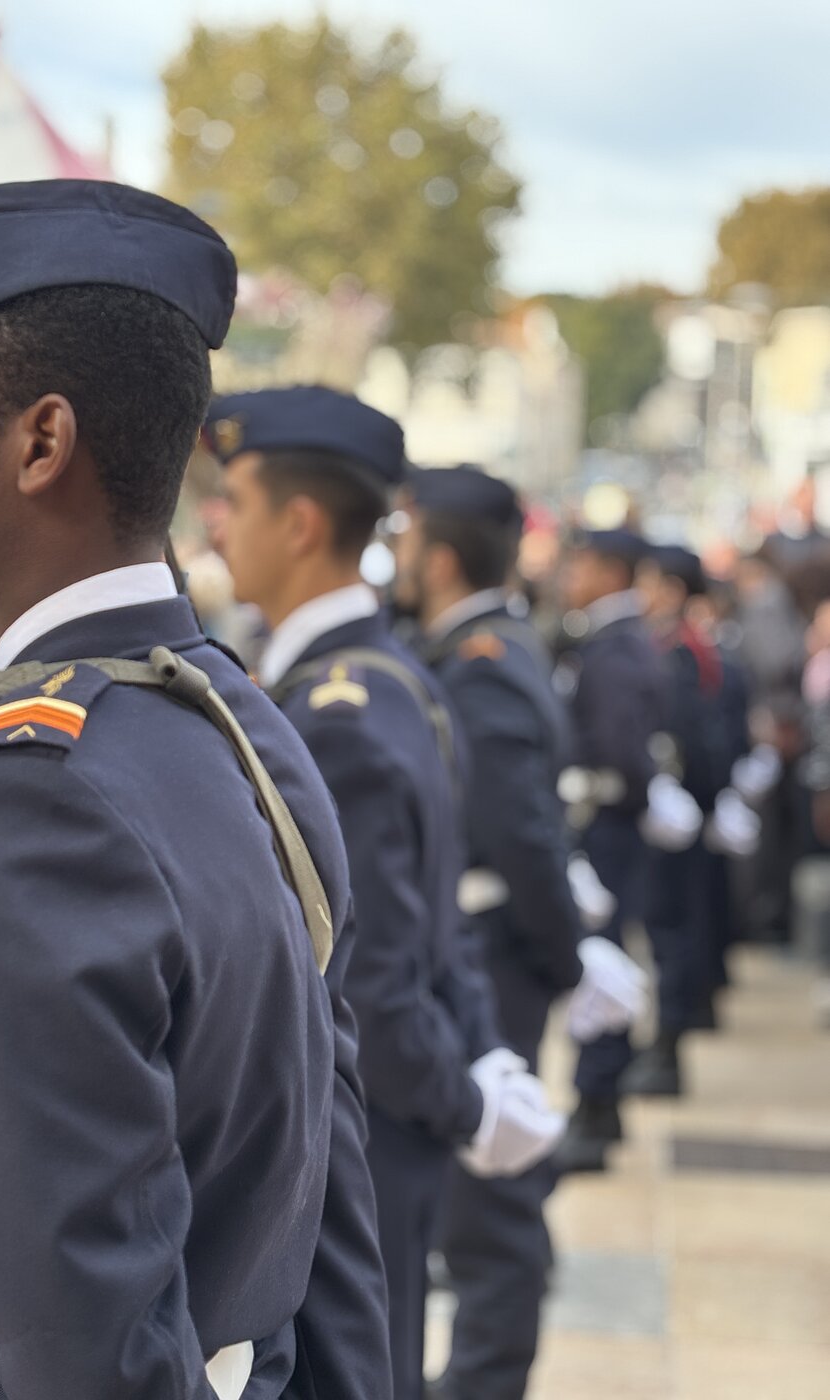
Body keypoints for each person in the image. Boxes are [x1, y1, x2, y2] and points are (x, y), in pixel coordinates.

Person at [0, 179, 391, 1400]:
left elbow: (91, 1358)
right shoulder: (235, 716)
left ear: (40, 442)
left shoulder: (38, 807)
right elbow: (330, 1197)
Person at [206, 391, 564, 1400]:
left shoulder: (336, 711)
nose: (213, 522)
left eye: (231, 497)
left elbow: (370, 979)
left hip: (348, 1145)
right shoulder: (383, 676)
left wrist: (465, 1097)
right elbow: (438, 931)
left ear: (302, 522)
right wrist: (485, 1056)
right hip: (376, 1138)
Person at [394, 467, 642, 1399]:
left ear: (444, 558)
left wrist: (564, 954)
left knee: (488, 1214)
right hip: (494, 950)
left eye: (411, 540)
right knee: (480, 1202)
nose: (400, 558)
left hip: (490, 954)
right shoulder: (492, 645)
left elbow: (515, 828)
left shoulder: (482, 660)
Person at [554, 529, 667, 1173]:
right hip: (612, 823)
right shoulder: (612, 638)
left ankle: (596, 1104)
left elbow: (620, 751)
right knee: (610, 954)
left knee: (602, 959)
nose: (573, 574)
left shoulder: (614, 645)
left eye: (584, 564)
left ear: (609, 572)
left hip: (606, 824)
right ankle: (604, 1100)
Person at [624, 545, 736, 1096]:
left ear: (670, 589)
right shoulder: (682, 643)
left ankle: (668, 1049)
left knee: (671, 930)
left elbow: (686, 732)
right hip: (678, 809)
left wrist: (682, 793)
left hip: (676, 812)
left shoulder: (679, 649)